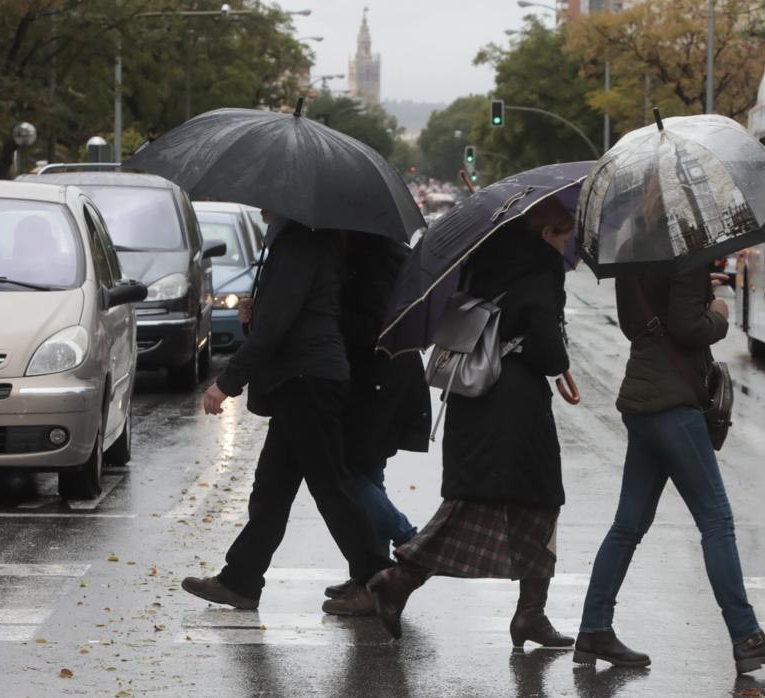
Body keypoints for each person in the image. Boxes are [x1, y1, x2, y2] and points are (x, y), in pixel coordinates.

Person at [365, 197, 576, 650]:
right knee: (517, 502)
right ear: (545, 234)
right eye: (564, 233)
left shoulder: (481, 258)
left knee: (498, 501)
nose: (567, 243)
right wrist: (559, 362)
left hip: (474, 395)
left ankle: (529, 614)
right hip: (514, 405)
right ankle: (400, 578)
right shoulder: (541, 269)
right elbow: (541, 339)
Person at [573, 267, 765, 674]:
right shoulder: (683, 252)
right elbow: (687, 327)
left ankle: (594, 628)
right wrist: (717, 311)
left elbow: (636, 325)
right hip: (673, 404)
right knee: (716, 521)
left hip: (644, 397)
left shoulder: (632, 252)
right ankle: (747, 636)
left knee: (628, 525)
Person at [181, 216, 391, 613]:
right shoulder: (304, 240)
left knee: (331, 487)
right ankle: (241, 579)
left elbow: (278, 324)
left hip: (306, 379)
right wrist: (255, 314)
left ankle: (379, 579)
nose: (262, 207)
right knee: (272, 489)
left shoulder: (300, 244)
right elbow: (286, 315)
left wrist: (227, 382)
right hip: (299, 378)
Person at [322, 233, 431, 604]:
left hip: (379, 383)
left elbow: (377, 326)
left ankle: (412, 543)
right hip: (374, 382)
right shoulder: (371, 253)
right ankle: (374, 576)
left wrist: (327, 313)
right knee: (368, 474)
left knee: (348, 475)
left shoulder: (379, 260)